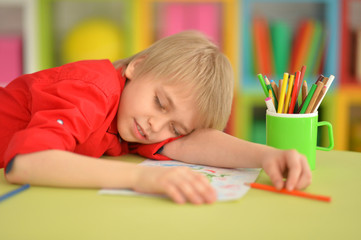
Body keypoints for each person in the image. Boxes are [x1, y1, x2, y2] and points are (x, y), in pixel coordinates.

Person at [0, 31, 311, 205]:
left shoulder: (134, 118)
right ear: (137, 67)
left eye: (173, 126)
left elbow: (191, 142)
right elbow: (25, 163)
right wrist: (143, 178)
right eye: (160, 103)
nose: (155, 128)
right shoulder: (92, 90)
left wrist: (267, 155)